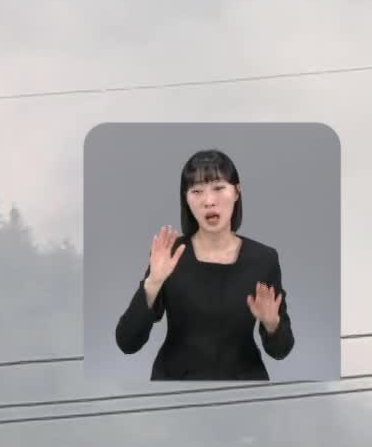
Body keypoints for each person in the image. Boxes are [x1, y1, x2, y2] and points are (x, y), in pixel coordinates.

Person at [114, 148, 293, 379]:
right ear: (186, 199)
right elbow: (127, 343)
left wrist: (272, 323)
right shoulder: (170, 255)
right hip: (176, 388)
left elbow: (281, 351)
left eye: (219, 188)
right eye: (197, 191)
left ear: (237, 192)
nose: (209, 201)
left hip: (244, 391)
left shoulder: (264, 259)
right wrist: (153, 282)